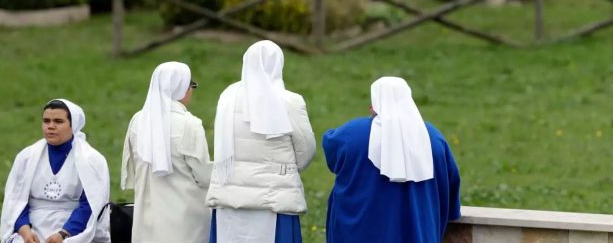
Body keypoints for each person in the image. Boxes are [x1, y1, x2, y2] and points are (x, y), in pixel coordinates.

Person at [323, 77, 461, 243]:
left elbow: (331, 150)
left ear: (374, 104)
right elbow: (451, 180)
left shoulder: (352, 133)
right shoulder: (432, 137)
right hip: (416, 230)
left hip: (360, 231)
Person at [206, 40, 316, 243]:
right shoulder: (290, 101)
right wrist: (285, 170)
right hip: (274, 198)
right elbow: (306, 150)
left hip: (230, 194)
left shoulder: (228, 97)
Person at [122, 62, 213, 243]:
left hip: (146, 216)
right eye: (191, 86)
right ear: (182, 89)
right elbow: (203, 176)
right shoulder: (190, 124)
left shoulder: (138, 121)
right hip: (185, 218)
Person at [0, 99, 110, 243]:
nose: (50, 126)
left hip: (73, 229)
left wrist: (63, 234)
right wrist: (25, 231)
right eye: (46, 121)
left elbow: (91, 205)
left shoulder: (92, 160)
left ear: (73, 125)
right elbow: (15, 200)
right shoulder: (27, 157)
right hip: (31, 227)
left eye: (58, 121)